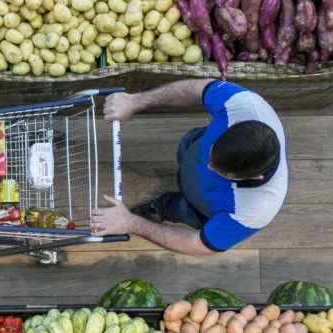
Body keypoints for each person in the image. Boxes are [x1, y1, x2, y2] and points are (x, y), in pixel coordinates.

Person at [91, 80, 288, 256]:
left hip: (199, 207)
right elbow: (196, 89)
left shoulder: (255, 210)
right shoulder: (241, 104)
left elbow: (197, 244)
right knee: (188, 149)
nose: (208, 166)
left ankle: (160, 209)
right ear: (235, 124)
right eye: (211, 154)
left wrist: (130, 223)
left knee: (178, 208)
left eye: (223, 173)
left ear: (257, 177)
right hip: (192, 148)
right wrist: (135, 101)